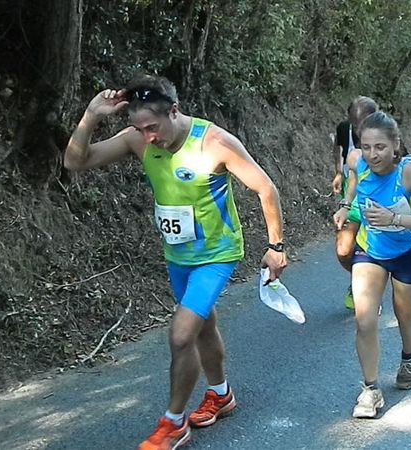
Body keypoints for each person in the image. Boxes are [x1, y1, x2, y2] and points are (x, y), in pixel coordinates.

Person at [63, 74, 287, 450]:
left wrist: (276, 245)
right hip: (178, 255)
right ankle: (221, 394)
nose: (147, 136)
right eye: (139, 128)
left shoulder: (214, 142)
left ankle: (173, 422)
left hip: (217, 255)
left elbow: (265, 187)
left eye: (152, 126)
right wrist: (90, 116)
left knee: (181, 333)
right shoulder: (138, 139)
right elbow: (75, 162)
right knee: (202, 326)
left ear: (175, 111)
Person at [334, 112, 411, 418]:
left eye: (381, 147)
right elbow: (355, 181)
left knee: (404, 313)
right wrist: (346, 206)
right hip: (370, 251)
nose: (373, 154)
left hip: (408, 253)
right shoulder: (357, 160)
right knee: (364, 320)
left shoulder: (410, 172)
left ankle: (409, 356)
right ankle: (370, 390)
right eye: (367, 146)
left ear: (395, 144)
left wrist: (395, 219)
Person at [332, 97, 378, 309]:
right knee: (343, 251)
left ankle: (369, 290)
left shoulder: (387, 135)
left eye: (363, 123)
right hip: (353, 200)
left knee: (375, 254)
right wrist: (338, 174)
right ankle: (359, 280)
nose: (359, 128)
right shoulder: (344, 129)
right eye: (355, 122)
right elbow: (346, 160)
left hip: (379, 203)